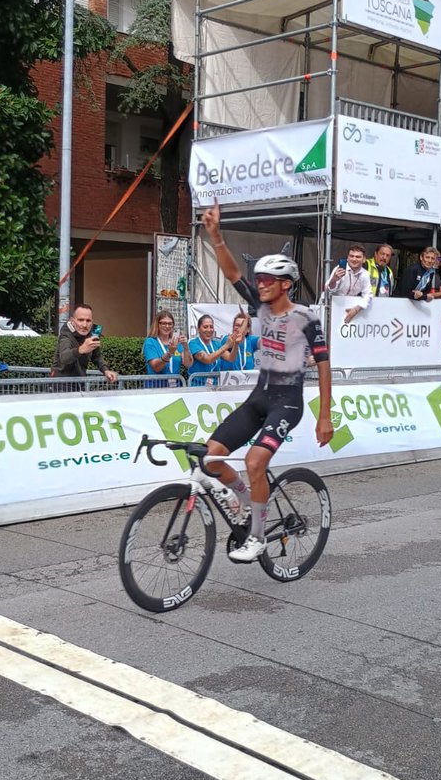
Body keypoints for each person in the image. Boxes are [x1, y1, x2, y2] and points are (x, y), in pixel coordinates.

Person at [199, 198, 333, 563]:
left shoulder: (307, 318)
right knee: (209, 459)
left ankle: (257, 537)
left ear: (286, 284)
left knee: (256, 462)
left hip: (287, 401)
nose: (259, 285)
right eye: (258, 279)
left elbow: (323, 365)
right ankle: (245, 496)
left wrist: (325, 415)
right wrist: (216, 237)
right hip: (259, 397)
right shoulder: (260, 308)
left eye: (268, 280)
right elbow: (231, 275)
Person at [52, 304, 118, 382]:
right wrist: (80, 350)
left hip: (80, 381)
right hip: (60, 383)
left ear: (92, 321)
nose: (84, 325)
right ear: (72, 321)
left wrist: (106, 370)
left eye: (88, 320)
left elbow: (96, 356)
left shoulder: (94, 333)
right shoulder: (66, 335)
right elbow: (64, 357)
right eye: (80, 320)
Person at [325, 243, 371, 324]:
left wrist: (357, 309)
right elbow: (329, 289)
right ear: (347, 258)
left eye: (358, 257)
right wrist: (334, 280)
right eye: (351, 256)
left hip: (350, 308)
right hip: (331, 306)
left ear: (364, 259)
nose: (354, 259)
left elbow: (367, 295)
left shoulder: (365, 274)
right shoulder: (340, 269)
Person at [142, 310, 192, 385]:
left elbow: (188, 364)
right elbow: (156, 367)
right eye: (163, 323)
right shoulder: (150, 342)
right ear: (157, 324)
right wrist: (170, 353)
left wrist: (186, 348)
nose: (167, 326)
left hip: (175, 387)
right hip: (156, 388)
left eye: (170, 324)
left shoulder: (176, 342)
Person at [188, 314, 232, 383]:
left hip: (215, 387)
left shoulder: (216, 343)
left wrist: (236, 343)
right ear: (198, 329)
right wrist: (226, 346)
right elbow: (207, 360)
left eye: (211, 327)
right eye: (205, 327)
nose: (209, 330)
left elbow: (230, 358)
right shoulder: (193, 343)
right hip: (198, 388)